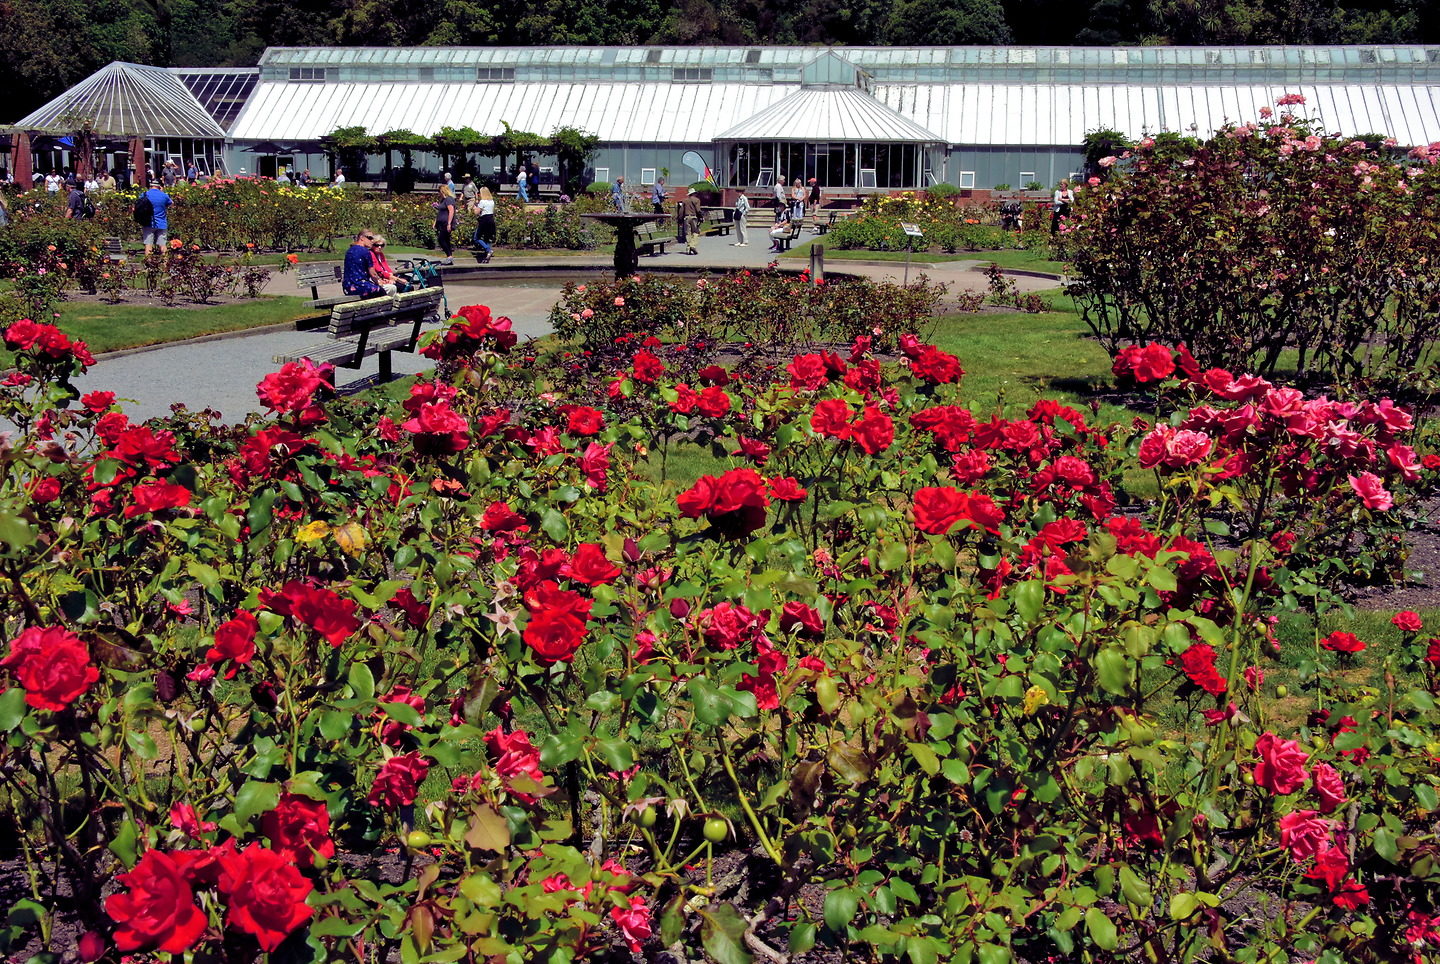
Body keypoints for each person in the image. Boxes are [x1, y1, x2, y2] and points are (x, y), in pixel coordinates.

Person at [342, 229, 384, 297]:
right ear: (361, 238)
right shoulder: (366, 252)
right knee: (381, 291)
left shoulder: (350, 250)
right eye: (370, 238)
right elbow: (373, 274)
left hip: (347, 287)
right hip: (360, 286)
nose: (372, 241)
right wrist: (379, 282)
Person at [141, 179, 172, 255]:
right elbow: (170, 204)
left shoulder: (145, 194)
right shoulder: (164, 195)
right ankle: (165, 263)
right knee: (162, 245)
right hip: (161, 223)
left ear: (150, 186)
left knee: (148, 244)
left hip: (148, 222)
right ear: (160, 186)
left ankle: (148, 263)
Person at [471, 186, 496, 262]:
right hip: (491, 220)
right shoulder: (492, 201)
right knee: (487, 238)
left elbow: (476, 212)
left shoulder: (482, 202)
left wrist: (474, 207)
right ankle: (487, 254)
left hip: (484, 220)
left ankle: (488, 250)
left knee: (476, 238)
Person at [434, 183, 457, 259]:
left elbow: (451, 211)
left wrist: (449, 223)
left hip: (446, 223)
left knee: (441, 239)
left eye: (439, 191)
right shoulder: (443, 200)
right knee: (446, 240)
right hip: (441, 223)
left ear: (442, 191)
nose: (438, 193)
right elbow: (440, 211)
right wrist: (435, 222)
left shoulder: (449, 199)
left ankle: (449, 255)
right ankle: (449, 256)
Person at [682, 187, 702, 255]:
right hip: (694, 217)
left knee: (688, 233)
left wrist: (679, 218)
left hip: (686, 217)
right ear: (694, 193)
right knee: (696, 232)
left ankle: (688, 248)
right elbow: (698, 210)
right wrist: (701, 217)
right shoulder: (697, 200)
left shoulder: (685, 201)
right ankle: (692, 245)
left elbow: (681, 211)